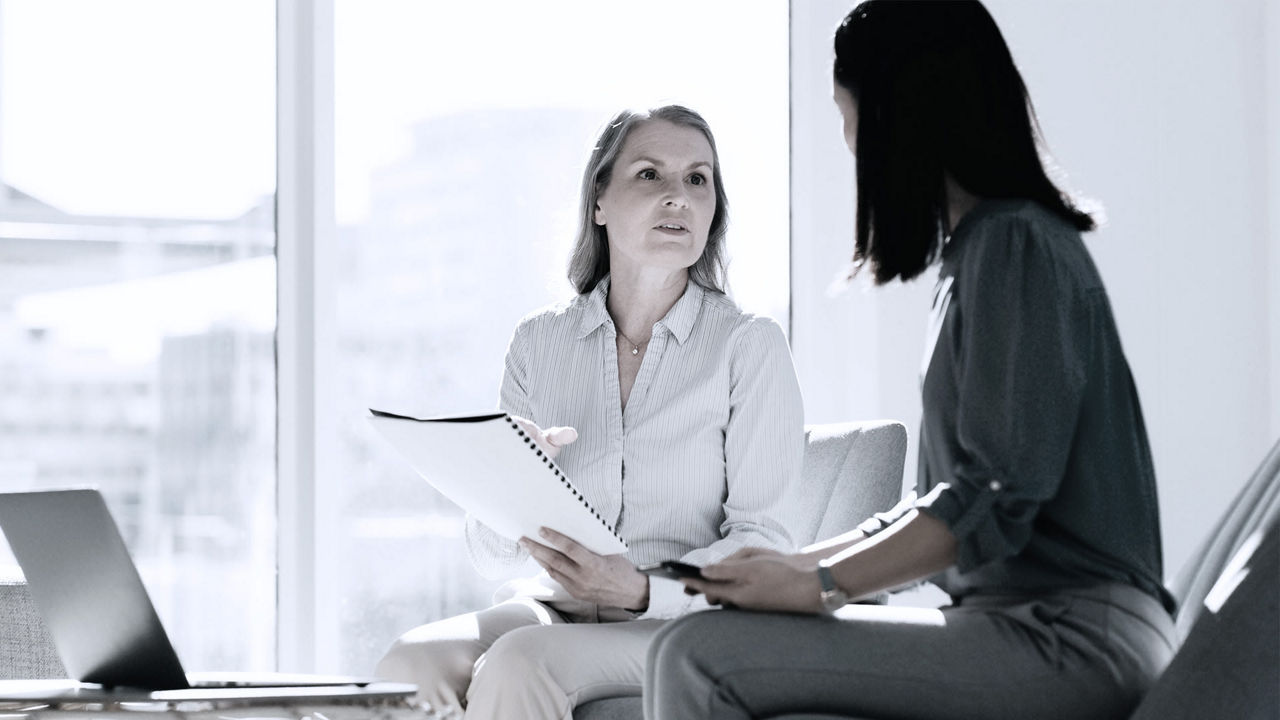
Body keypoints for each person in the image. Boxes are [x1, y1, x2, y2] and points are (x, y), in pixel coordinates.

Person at [645, 3, 1177, 719]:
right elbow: (950, 500)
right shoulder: (982, 253)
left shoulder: (1013, 246)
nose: (847, 139)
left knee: (697, 655)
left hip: (1073, 640)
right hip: (1028, 626)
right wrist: (794, 566)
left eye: (848, 113)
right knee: (702, 638)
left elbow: (990, 498)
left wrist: (821, 583)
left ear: (902, 116)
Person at [375, 105, 805, 719]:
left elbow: (765, 545)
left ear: (714, 209)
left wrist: (640, 589)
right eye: (651, 175)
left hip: (682, 626)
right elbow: (491, 555)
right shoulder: (539, 343)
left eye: (697, 179)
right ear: (599, 200)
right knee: (407, 665)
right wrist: (511, 476)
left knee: (523, 662)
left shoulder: (749, 345)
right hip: (553, 606)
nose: (678, 197)